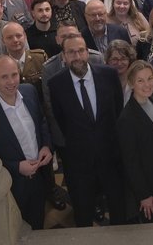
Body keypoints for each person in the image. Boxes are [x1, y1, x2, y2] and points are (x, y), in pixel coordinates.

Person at [48, 35, 126, 227]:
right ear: (63, 56)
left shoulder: (108, 75)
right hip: (79, 161)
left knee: (118, 208)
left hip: (111, 156)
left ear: (87, 52)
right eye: (71, 52)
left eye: (81, 50)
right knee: (83, 212)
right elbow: (61, 120)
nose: (78, 56)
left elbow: (118, 111)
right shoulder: (56, 84)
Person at [0, 55, 53, 230]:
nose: (11, 81)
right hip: (12, 184)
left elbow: (41, 120)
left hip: (39, 176)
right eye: (4, 77)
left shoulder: (29, 91)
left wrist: (46, 145)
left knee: (38, 221)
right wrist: (16, 166)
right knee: (16, 228)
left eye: (14, 75)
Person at [117, 60, 153, 223]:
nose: (147, 84)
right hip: (150, 186)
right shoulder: (127, 118)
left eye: (150, 78)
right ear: (131, 83)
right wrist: (144, 195)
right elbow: (131, 162)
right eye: (140, 80)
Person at [105, 39, 138, 103]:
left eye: (123, 58)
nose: (119, 63)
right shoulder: (103, 84)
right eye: (115, 59)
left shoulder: (137, 82)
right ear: (108, 60)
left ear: (130, 60)